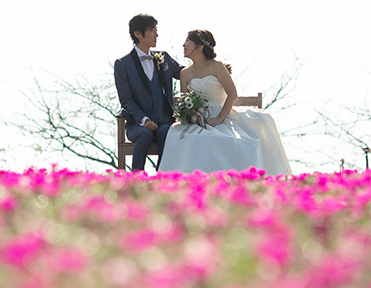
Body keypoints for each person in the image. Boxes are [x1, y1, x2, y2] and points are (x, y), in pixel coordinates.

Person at [158, 30, 291, 175]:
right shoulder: (185, 73)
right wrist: (191, 116)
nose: (183, 45)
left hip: (222, 115)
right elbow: (186, 100)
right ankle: (187, 178)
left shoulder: (217, 67)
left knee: (231, 140)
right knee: (182, 135)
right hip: (199, 119)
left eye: (187, 41)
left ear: (200, 46)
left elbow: (232, 94)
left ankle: (230, 177)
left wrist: (220, 117)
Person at [113, 14, 184, 172]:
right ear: (138, 34)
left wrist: (214, 69)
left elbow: (184, 73)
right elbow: (126, 100)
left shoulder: (163, 58)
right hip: (137, 125)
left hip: (164, 121)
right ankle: (136, 178)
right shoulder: (122, 64)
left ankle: (161, 177)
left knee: (166, 131)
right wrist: (144, 120)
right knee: (144, 134)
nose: (156, 35)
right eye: (152, 30)